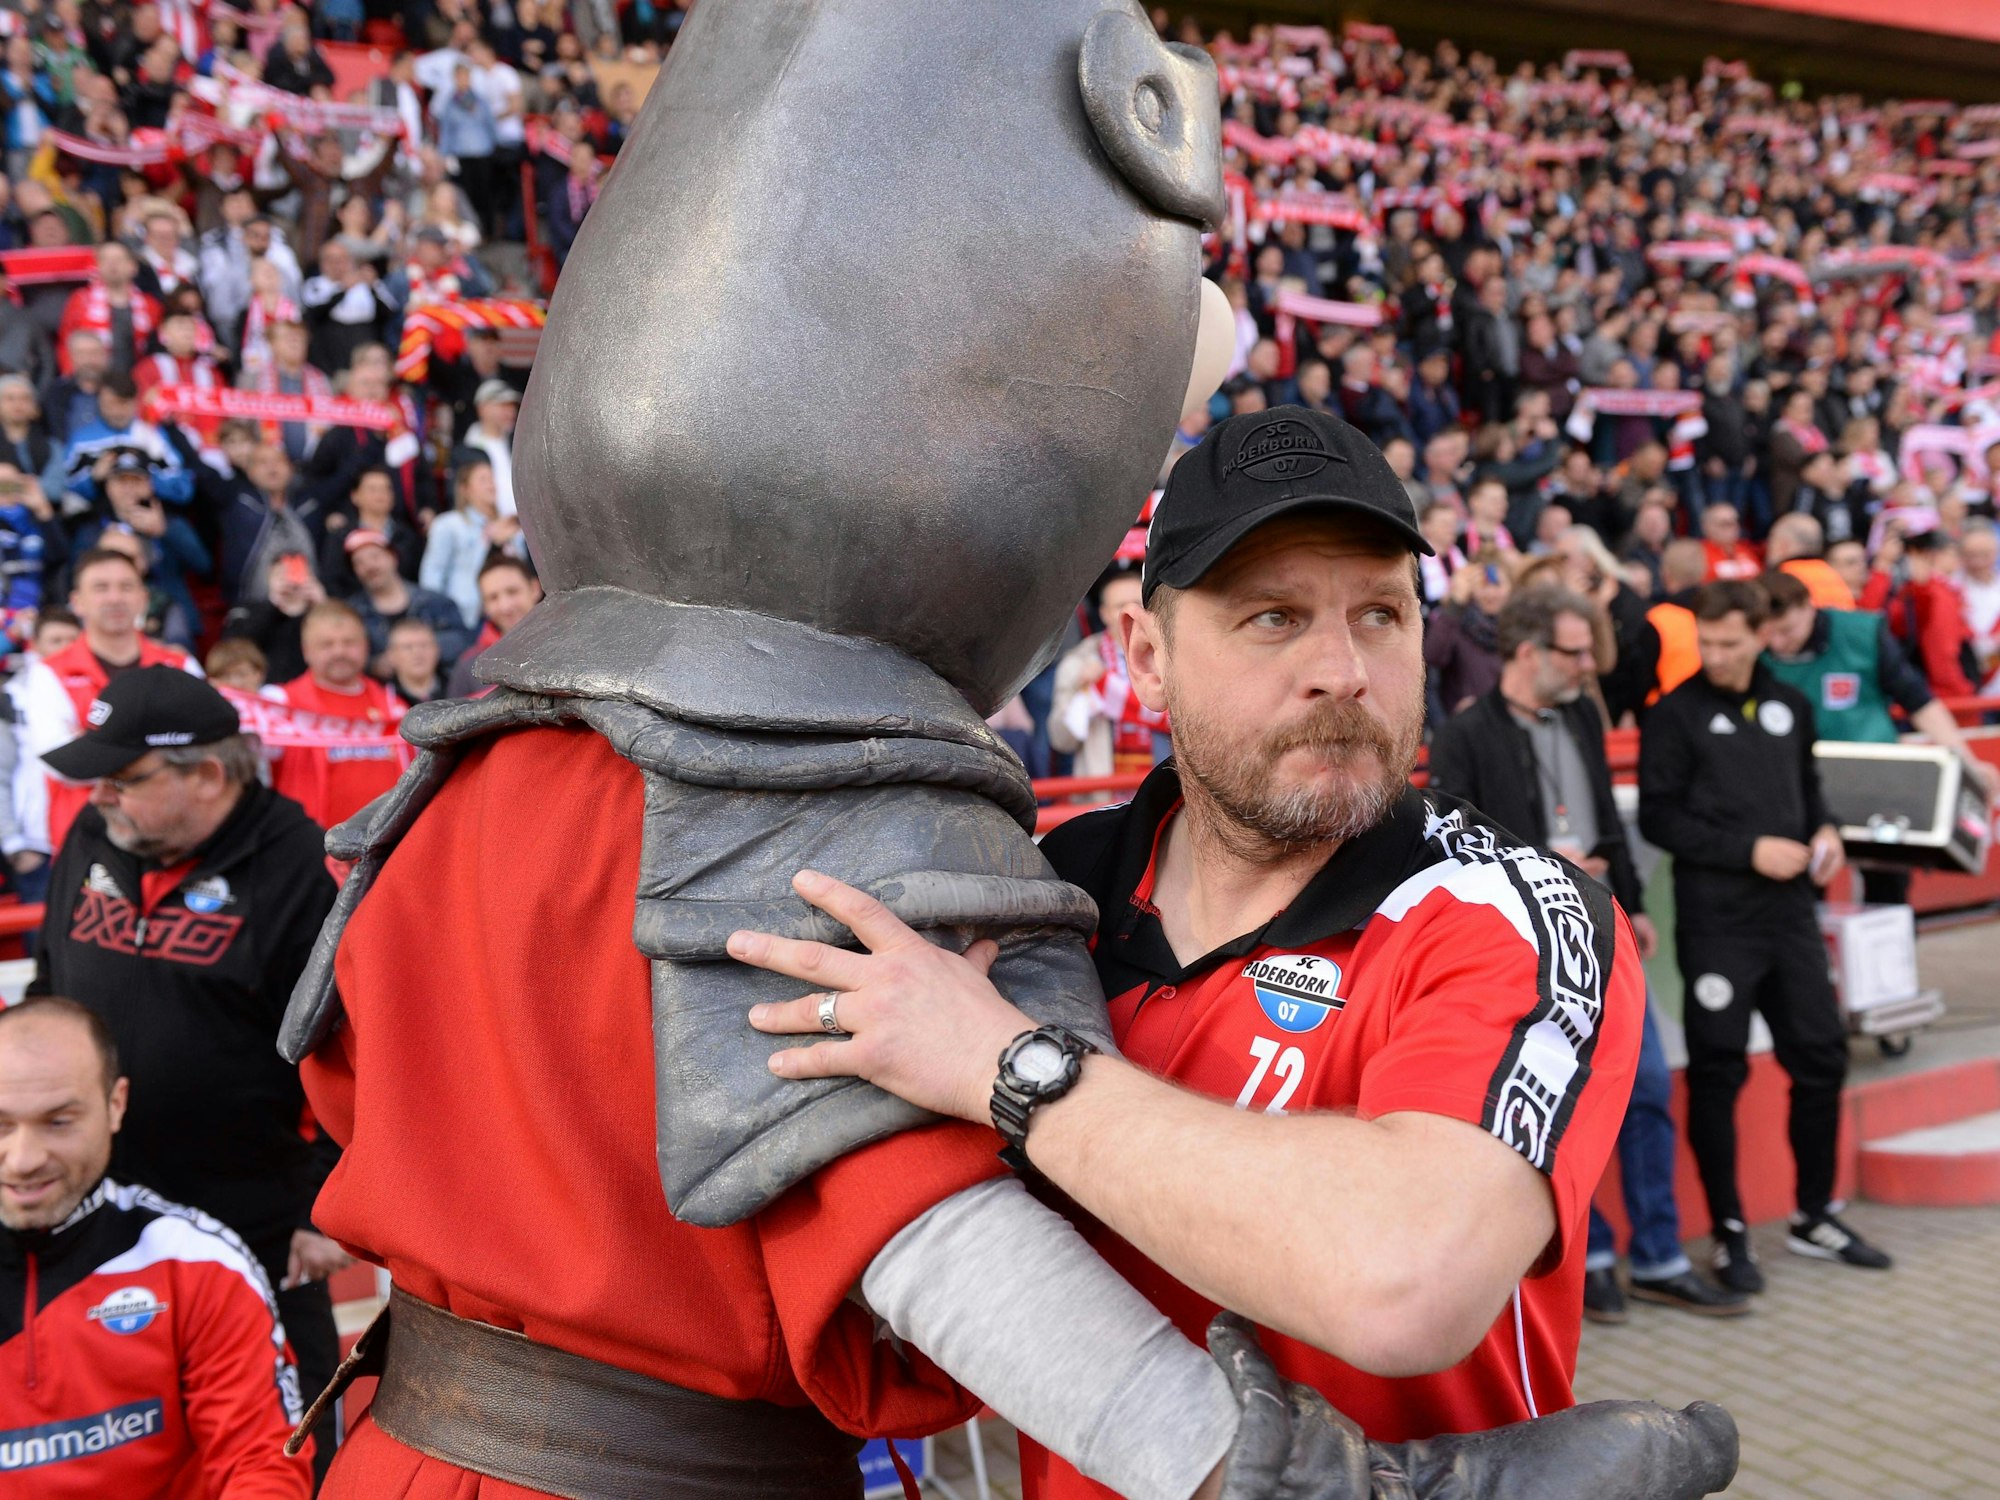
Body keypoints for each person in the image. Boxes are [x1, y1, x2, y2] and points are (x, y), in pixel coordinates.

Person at [726, 406, 1706, 1488]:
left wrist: (1008, 1072)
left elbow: (1405, 1279)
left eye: (1379, 614)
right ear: (1146, 659)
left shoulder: (1509, 912)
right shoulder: (1040, 894)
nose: (1341, 669)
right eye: (1273, 618)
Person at [28, 668, 345, 1484]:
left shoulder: (300, 871)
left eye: (122, 779)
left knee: (280, 1443)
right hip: (94, 1213)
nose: (98, 797)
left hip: (251, 1216)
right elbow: (48, 989)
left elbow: (359, 1054)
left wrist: (324, 1200)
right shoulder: (95, 838)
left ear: (206, 773)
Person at [1428, 591, 1746, 1321]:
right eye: (1573, 652)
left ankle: (1660, 1256)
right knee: (1567, 1110)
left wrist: (1629, 906)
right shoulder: (1466, 735)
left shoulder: (1579, 714)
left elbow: (1605, 817)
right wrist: (1546, 863)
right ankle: (1591, 1257)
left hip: (1606, 931)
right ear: (1529, 652)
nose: (1587, 666)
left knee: (1650, 1092)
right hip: (1529, 951)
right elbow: (1453, 847)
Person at [1638, 580, 1892, 1291]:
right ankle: (1730, 1231)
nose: (1716, 655)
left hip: (1789, 918)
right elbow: (1660, 819)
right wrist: (1748, 850)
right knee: (1719, 1072)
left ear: (1762, 635)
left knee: (1820, 1055)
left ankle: (1815, 1213)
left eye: (1730, 641)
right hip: (1718, 921)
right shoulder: (1675, 714)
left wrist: (1825, 829)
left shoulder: (1790, 703)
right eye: (1707, 642)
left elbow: (1808, 786)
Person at [0, 997, 313, 1498]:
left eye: (59, 1122)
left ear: (115, 1105)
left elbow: (262, 1465)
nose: (23, 1159)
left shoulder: (198, 1265)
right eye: (1, 1124)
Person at [1759, 568, 1998, 904]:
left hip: (1874, 782)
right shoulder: (1755, 650)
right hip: (1798, 788)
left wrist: (1967, 761)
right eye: (1769, 633)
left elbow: (1919, 702)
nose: (1777, 643)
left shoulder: (1861, 633)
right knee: (1802, 891)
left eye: (1786, 631)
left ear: (1808, 608)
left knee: (1888, 891)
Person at [15, 548, 202, 859]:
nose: (115, 597)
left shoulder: (180, 666)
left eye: (126, 587)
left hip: (173, 833)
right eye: (101, 587)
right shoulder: (48, 672)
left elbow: (205, 747)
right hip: (87, 840)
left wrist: (94, 744)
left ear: (143, 597)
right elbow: (61, 762)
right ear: (77, 601)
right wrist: (159, 748)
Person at [272, 600, 407, 830]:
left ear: (365, 646)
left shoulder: (394, 706)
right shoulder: (279, 705)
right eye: (326, 644)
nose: (339, 651)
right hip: (314, 852)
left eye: (349, 642)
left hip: (390, 848)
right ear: (306, 651)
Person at [1048, 566, 1168, 779]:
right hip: (1102, 793)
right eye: (1121, 606)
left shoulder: (1171, 658)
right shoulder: (1078, 662)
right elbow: (1061, 741)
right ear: (1104, 614)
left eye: (1140, 605)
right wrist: (1082, 693)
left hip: (1167, 787)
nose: (1133, 614)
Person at [343, 529, 473, 671]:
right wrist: (374, 664)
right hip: (384, 690)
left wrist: (418, 652)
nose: (369, 566)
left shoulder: (435, 602)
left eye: (375, 557)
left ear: (393, 557)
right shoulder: (352, 614)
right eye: (359, 562)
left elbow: (462, 642)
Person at [420, 456, 519, 629]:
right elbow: (432, 575)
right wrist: (438, 617)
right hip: (465, 619)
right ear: (465, 489)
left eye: (492, 478)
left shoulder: (508, 525)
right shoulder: (448, 524)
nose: (491, 484)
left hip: (510, 614)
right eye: (483, 479)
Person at [1423, 548, 1509, 715]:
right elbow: (1432, 656)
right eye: (1483, 585)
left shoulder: (1517, 627)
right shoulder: (1456, 622)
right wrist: (1455, 603)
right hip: (1465, 726)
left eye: (1497, 584)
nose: (1490, 593)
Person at [444, 552, 540, 697]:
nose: (505, 606)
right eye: (493, 598)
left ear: (534, 589)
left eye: (512, 591)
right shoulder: (469, 666)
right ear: (484, 606)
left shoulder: (568, 643)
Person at [383, 616, 447, 704]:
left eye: (424, 645)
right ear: (391, 655)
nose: (417, 653)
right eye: (408, 647)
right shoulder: (379, 695)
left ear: (437, 650)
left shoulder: (457, 689)